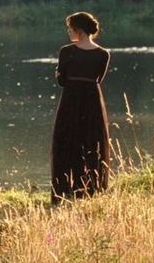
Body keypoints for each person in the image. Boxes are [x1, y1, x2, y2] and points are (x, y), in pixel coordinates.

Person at [51, 12, 111, 205]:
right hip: (92, 102)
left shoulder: (66, 52)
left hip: (70, 101)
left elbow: (61, 81)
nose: (68, 32)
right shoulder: (103, 54)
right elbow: (98, 80)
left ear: (78, 29)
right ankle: (91, 188)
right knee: (92, 142)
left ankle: (65, 190)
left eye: (70, 28)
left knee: (66, 141)